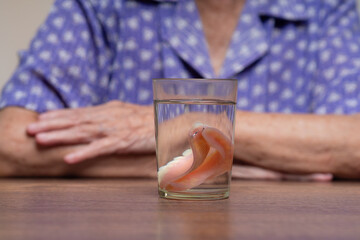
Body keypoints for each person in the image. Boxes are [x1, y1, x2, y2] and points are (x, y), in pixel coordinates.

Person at [0, 0, 360, 180]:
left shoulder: (330, 10)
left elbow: (353, 143)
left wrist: (185, 124)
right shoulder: (101, 6)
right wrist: (215, 162)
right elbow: (10, 143)